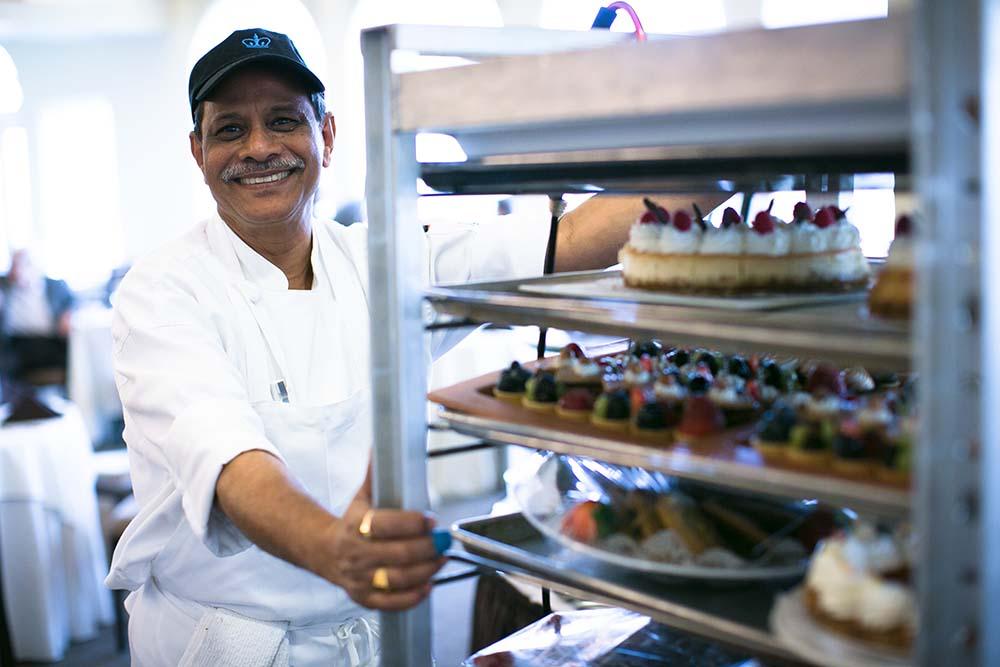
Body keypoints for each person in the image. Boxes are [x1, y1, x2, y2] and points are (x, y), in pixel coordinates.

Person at [106, 27, 719, 665]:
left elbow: (566, 240)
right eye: (231, 129)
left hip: (373, 634)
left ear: (328, 136)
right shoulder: (161, 291)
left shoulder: (384, 261)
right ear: (196, 149)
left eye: (283, 121)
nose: (259, 148)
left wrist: (743, 159)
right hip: (226, 643)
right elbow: (227, 458)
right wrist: (334, 546)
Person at [0, 249, 76, 384]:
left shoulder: (54, 285)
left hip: (51, 342)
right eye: (14, 265)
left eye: (23, 264)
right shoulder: (5, 287)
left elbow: (71, 302)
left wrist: (67, 314)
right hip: (17, 346)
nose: (17, 270)